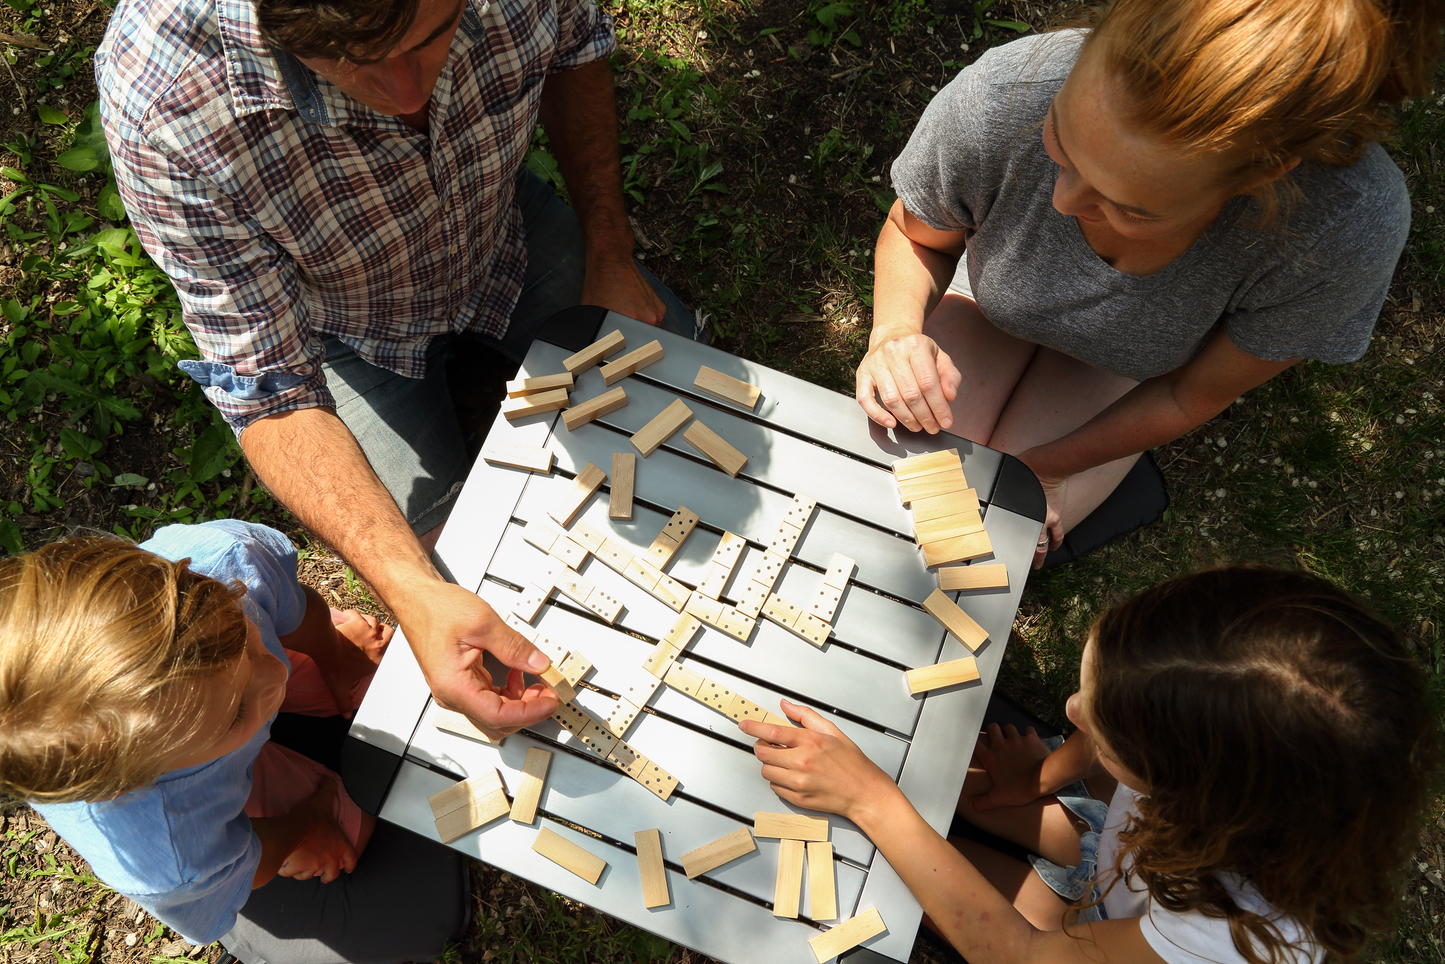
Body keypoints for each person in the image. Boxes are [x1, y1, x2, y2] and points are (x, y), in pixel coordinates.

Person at [94, 0, 701, 734]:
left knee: (682, 400)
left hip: (500, 236)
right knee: (470, 586)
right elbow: (269, 387)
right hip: (341, 330)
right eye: (353, 65)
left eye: (436, 35)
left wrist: (610, 254)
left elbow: (577, 50)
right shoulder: (163, 101)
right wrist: (412, 591)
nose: (411, 93)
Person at [856, 0, 1443, 568]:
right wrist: (894, 331)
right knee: (882, 509)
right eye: (1060, 143)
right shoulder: (1008, 93)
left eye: (1131, 209)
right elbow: (917, 236)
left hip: (1123, 371)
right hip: (984, 309)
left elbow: (1192, 393)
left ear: (1262, 176)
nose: (1063, 202)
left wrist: (1051, 467)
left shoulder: (1342, 230)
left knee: (987, 543)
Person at [745, 566, 1437, 964]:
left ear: (1197, 793)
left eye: (1103, 736)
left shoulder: (1230, 936)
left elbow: (1015, 956)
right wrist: (1041, 779)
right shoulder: (1225, 733)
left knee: (873, 865)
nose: (1069, 707)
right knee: (918, 795)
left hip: (1109, 941)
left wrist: (870, 800)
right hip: (1112, 864)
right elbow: (1109, 716)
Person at [0, 522, 477, 963]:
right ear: (134, 784)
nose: (274, 675)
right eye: (235, 714)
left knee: (391, 683)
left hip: (207, 718)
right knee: (401, 913)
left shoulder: (220, 561)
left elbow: (280, 622)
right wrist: (302, 826)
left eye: (239, 631)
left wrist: (337, 660)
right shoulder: (168, 853)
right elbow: (251, 864)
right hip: (201, 797)